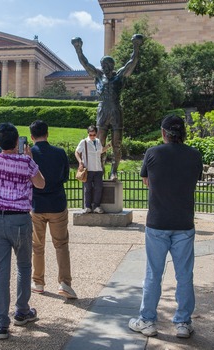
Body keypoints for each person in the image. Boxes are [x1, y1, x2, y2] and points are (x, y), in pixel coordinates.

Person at [128, 115, 203, 339]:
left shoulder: (153, 153)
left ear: (163, 133)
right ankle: (182, 322)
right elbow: (193, 179)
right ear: (183, 134)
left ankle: (148, 320)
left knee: (153, 274)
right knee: (185, 275)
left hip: (158, 222)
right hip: (184, 222)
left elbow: (146, 180)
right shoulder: (194, 155)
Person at [0, 122, 45, 340]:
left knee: (1, 271)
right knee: (24, 266)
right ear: (17, 141)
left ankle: (1, 322)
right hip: (18, 218)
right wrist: (29, 159)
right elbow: (40, 184)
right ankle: (22, 310)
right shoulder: (25, 161)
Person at [71, 34, 143, 180]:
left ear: (112, 66)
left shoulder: (120, 76)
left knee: (116, 144)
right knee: (100, 144)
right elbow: (85, 64)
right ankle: (101, 170)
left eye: (108, 65)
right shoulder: (98, 76)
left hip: (116, 110)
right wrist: (78, 48)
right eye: (103, 65)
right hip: (102, 110)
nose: (105, 67)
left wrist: (136, 46)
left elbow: (132, 62)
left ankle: (114, 171)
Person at [28, 120, 77, 299]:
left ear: (31, 137)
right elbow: (65, 177)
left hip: (36, 205)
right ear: (47, 134)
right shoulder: (59, 152)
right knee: (61, 245)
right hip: (57, 203)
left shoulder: (30, 154)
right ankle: (64, 283)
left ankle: (38, 282)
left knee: (37, 246)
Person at [75, 125, 110, 214]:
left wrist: (109, 145)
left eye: (94, 135)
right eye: (90, 135)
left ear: (96, 134)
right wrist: (80, 162)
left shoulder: (98, 141)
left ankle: (96, 206)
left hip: (98, 169)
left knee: (98, 188)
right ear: (88, 134)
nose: (92, 137)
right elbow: (77, 152)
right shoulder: (84, 142)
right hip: (88, 169)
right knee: (88, 189)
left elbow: (101, 151)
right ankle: (88, 207)